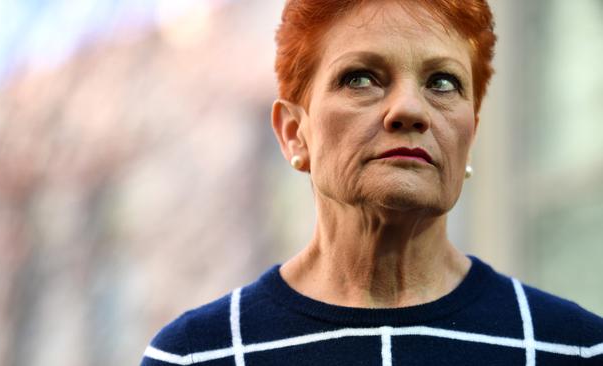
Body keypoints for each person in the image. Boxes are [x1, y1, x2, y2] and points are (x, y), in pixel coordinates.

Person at [141, 0, 603, 364]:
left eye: (442, 83)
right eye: (361, 78)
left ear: (472, 135)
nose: (409, 110)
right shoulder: (198, 354)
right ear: (293, 133)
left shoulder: (575, 349)